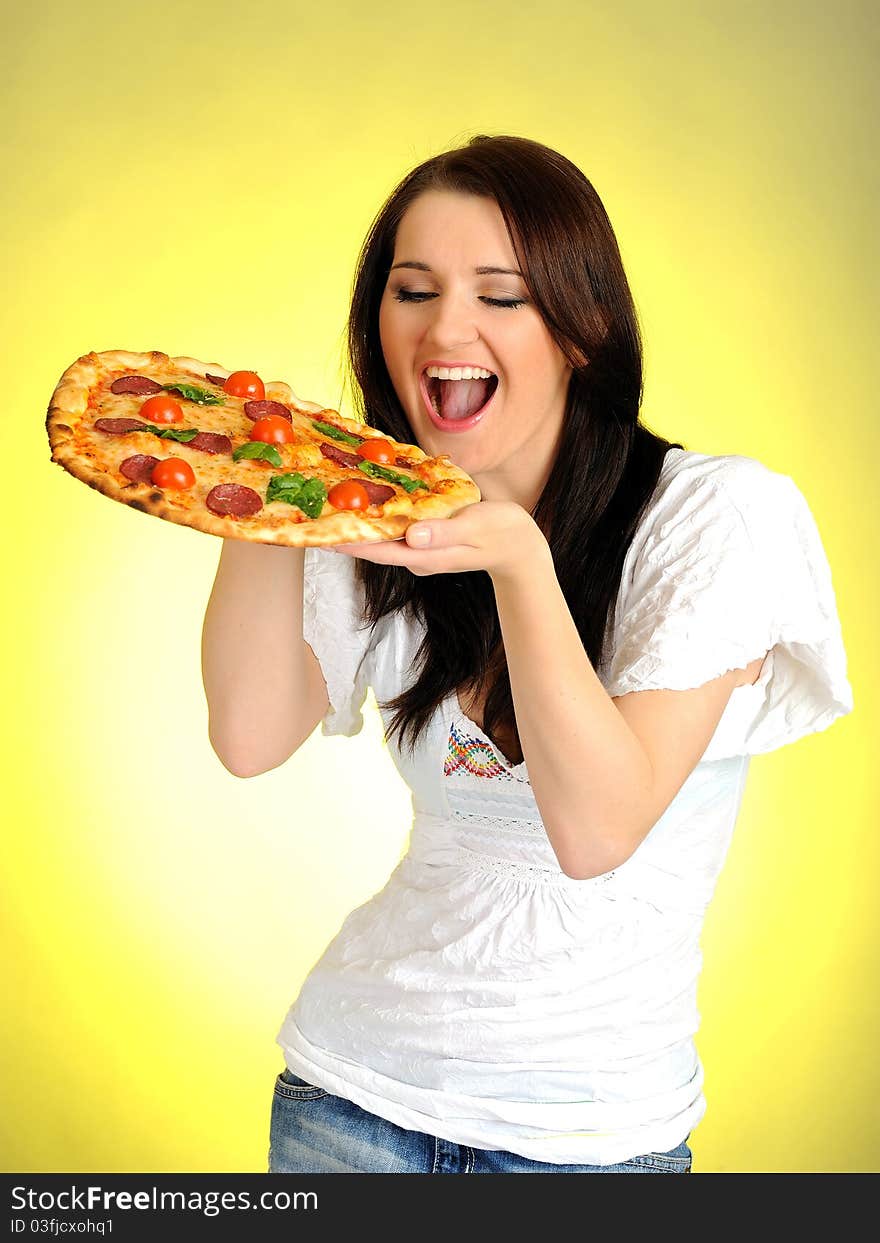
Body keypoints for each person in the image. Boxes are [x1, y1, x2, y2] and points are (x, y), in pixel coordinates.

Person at [200, 135, 853, 1174]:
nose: (443, 327)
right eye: (411, 289)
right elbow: (246, 735)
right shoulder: (386, 509)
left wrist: (519, 562)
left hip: (587, 1142)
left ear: (580, 331)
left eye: (499, 297)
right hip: (347, 1103)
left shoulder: (716, 517)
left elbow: (596, 827)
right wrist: (260, 487)